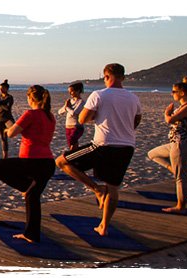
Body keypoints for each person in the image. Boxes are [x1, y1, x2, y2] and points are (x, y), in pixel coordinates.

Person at [55, 63, 141, 236]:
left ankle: (96, 189)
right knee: (114, 187)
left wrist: (97, 117)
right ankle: (104, 226)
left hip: (103, 145)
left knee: (62, 161)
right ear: (123, 77)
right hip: (127, 146)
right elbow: (136, 121)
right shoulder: (133, 98)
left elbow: (82, 118)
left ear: (106, 76)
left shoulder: (99, 95)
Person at [0, 85, 56, 243]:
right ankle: (31, 234)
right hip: (48, 164)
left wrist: (8, 127)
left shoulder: (30, 114)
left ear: (30, 98)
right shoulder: (50, 116)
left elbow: (11, 133)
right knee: (33, 199)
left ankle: (25, 185)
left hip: (32, 163)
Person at [147, 81, 187, 213]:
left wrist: (166, 113)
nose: (172, 93)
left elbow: (170, 120)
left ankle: (181, 207)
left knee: (181, 178)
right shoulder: (186, 106)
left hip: (182, 143)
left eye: (174, 91)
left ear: (182, 93)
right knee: (152, 154)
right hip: (175, 143)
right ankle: (172, 169)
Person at [58, 82, 86, 151]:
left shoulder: (81, 102)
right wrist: (65, 106)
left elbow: (74, 113)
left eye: (72, 91)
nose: (70, 93)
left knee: (72, 140)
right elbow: (60, 112)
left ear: (78, 91)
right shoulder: (70, 101)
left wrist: (67, 107)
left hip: (77, 127)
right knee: (71, 144)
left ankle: (74, 156)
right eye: (69, 92)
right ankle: (75, 158)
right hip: (68, 126)